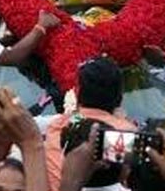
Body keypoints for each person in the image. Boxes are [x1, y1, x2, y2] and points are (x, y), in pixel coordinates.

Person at [44, 56, 135, 191]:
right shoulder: (128, 135)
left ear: (77, 91)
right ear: (120, 97)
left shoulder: (57, 126)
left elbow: (74, 117)